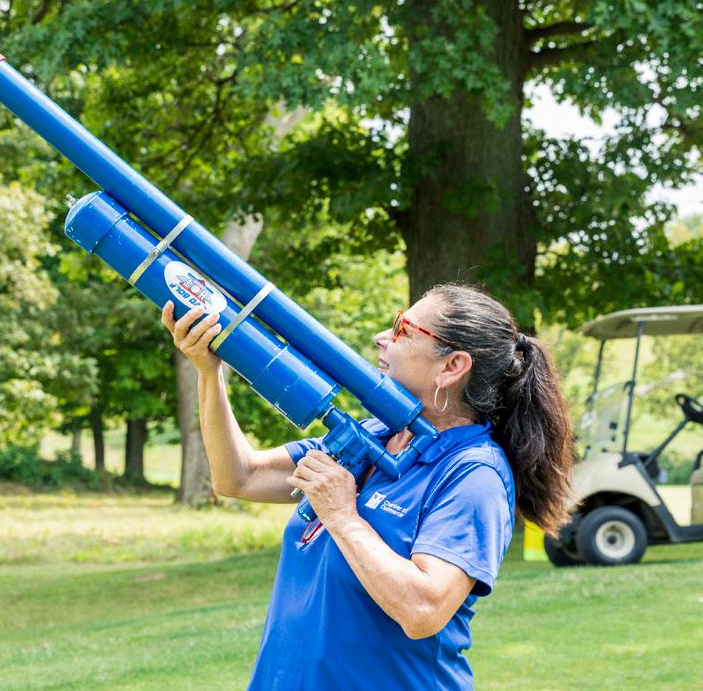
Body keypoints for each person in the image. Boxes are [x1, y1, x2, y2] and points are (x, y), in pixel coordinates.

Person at [162, 282, 574, 690]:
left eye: (402, 330)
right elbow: (239, 476)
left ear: (452, 366)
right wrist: (209, 372)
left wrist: (342, 515)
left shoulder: (474, 473)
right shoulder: (375, 433)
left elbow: (423, 610)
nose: (381, 337)